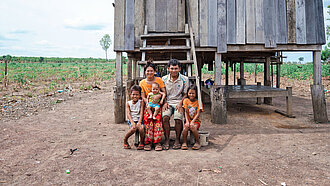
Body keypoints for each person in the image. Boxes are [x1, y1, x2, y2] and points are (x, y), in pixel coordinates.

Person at [162, 59, 189, 150]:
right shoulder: (164, 79)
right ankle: (167, 139)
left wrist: (181, 103)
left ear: (179, 69)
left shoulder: (184, 80)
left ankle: (177, 139)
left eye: (176, 68)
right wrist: (165, 102)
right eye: (172, 68)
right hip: (168, 102)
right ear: (168, 69)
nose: (174, 70)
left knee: (178, 118)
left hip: (179, 102)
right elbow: (163, 93)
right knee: (165, 117)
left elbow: (186, 94)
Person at [139, 61, 165, 151]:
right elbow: (142, 96)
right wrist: (147, 102)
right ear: (145, 72)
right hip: (148, 105)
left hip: (158, 105)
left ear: (154, 71)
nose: (149, 73)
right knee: (147, 119)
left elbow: (164, 92)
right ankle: (148, 142)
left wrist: (160, 99)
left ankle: (157, 142)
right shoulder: (142, 83)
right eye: (148, 71)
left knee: (158, 119)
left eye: (151, 71)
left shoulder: (159, 80)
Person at [124, 85, 145, 150]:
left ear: (140, 95)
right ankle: (125, 140)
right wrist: (132, 122)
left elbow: (141, 112)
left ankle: (141, 142)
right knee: (133, 129)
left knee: (141, 128)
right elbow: (128, 114)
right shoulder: (128, 103)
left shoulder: (141, 102)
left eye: (137, 94)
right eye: (133, 94)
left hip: (139, 120)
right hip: (132, 120)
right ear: (130, 94)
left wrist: (139, 122)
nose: (135, 96)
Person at [181, 85, 202, 150]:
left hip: (196, 121)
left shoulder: (198, 102)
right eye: (190, 93)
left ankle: (197, 142)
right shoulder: (186, 101)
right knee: (185, 127)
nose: (191, 95)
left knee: (193, 127)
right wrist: (187, 121)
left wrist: (192, 122)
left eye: (193, 93)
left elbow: (198, 113)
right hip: (188, 120)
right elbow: (186, 112)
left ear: (196, 94)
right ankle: (184, 142)